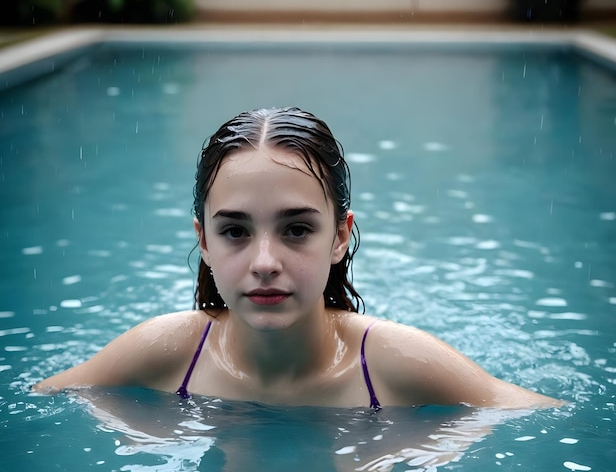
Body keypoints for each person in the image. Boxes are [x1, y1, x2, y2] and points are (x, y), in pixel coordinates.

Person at [33, 106, 560, 410]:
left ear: (339, 236)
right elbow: (38, 400)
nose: (265, 260)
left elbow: (544, 416)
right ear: (204, 240)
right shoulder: (166, 352)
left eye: (297, 229)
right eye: (236, 230)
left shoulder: (397, 364)